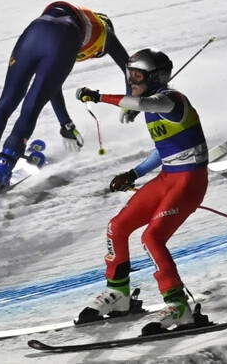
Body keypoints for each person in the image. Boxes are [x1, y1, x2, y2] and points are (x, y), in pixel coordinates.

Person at [73, 48, 209, 331]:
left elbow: (140, 104)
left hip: (189, 181)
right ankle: (120, 294)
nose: (132, 80)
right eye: (129, 74)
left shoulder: (169, 101)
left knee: (152, 237)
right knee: (117, 226)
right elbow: (164, 150)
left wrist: (98, 96)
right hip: (168, 177)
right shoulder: (152, 105)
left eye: (138, 75)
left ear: (156, 76)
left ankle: (179, 306)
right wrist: (133, 173)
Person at [0, 1, 136, 209]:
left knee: (7, 101)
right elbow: (128, 65)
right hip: (64, 37)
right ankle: (2, 170)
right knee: (31, 108)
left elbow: (54, 87)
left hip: (36, 29)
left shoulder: (88, 21)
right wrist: (130, 101)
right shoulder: (105, 35)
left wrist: (66, 124)